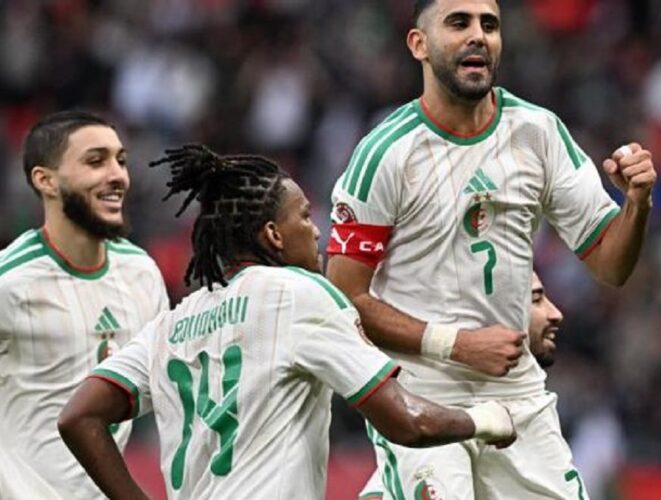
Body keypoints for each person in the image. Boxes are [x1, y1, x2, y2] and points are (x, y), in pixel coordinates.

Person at [326, 0, 657, 497]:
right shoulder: (385, 154)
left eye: (490, 24)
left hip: (517, 393)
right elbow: (344, 301)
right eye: (458, 23)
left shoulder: (538, 133)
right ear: (419, 44)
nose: (478, 35)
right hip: (421, 394)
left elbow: (611, 265)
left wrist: (637, 203)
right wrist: (457, 345)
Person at [58, 144, 517, 500]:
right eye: (304, 216)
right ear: (273, 235)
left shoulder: (170, 325)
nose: (316, 229)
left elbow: (79, 416)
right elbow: (407, 422)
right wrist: (485, 419)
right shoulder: (297, 293)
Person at [0, 110, 169, 499]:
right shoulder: (10, 282)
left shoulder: (142, 274)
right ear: (46, 180)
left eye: (120, 161)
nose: (118, 175)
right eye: (96, 161)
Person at [358, 270, 566, 499]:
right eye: (536, 299)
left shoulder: (536, 420)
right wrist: (483, 421)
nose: (555, 314)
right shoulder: (419, 458)